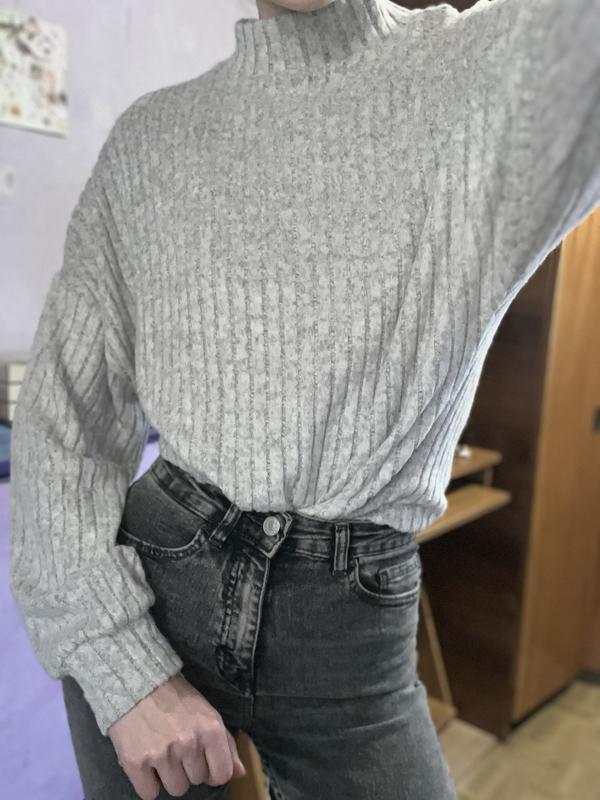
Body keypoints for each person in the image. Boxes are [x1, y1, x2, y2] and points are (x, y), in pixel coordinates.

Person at [9, 0, 600, 797]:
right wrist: (116, 661)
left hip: (351, 643)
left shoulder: (495, 72)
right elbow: (61, 422)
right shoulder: (148, 143)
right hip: (155, 592)